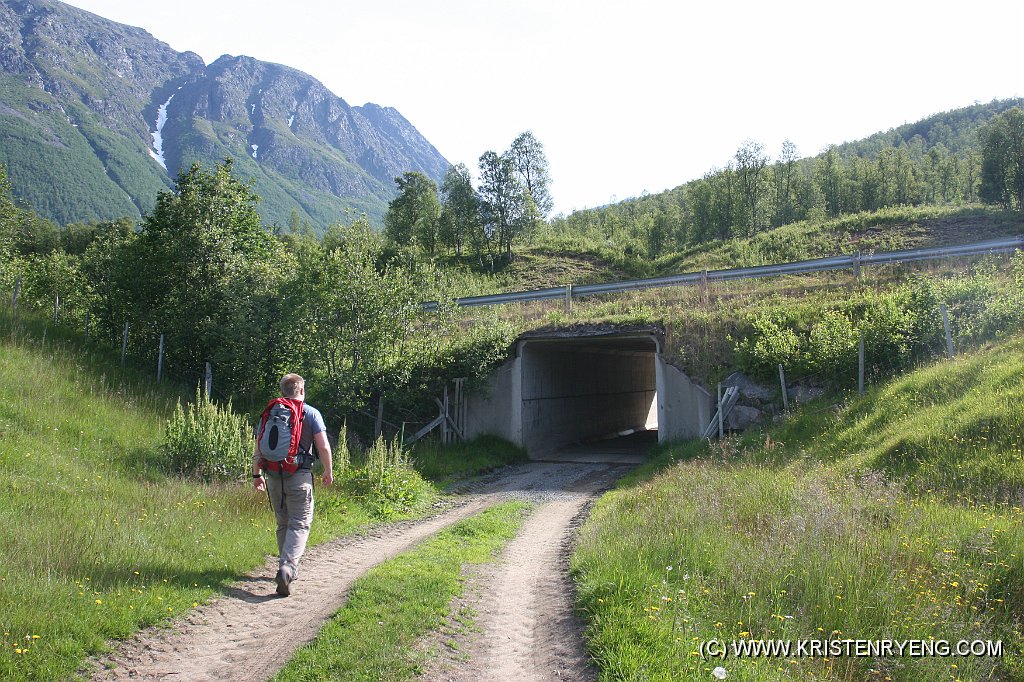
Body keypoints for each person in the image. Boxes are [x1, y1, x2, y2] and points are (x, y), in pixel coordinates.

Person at [253, 373, 333, 597]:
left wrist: (255, 475)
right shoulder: (310, 413)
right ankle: (288, 569)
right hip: (299, 476)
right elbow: (324, 447)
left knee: (283, 523)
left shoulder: (271, 413)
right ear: (301, 391)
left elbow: (259, 446)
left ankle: (284, 567)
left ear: (283, 391)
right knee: (299, 524)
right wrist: (328, 471)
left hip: (273, 477)